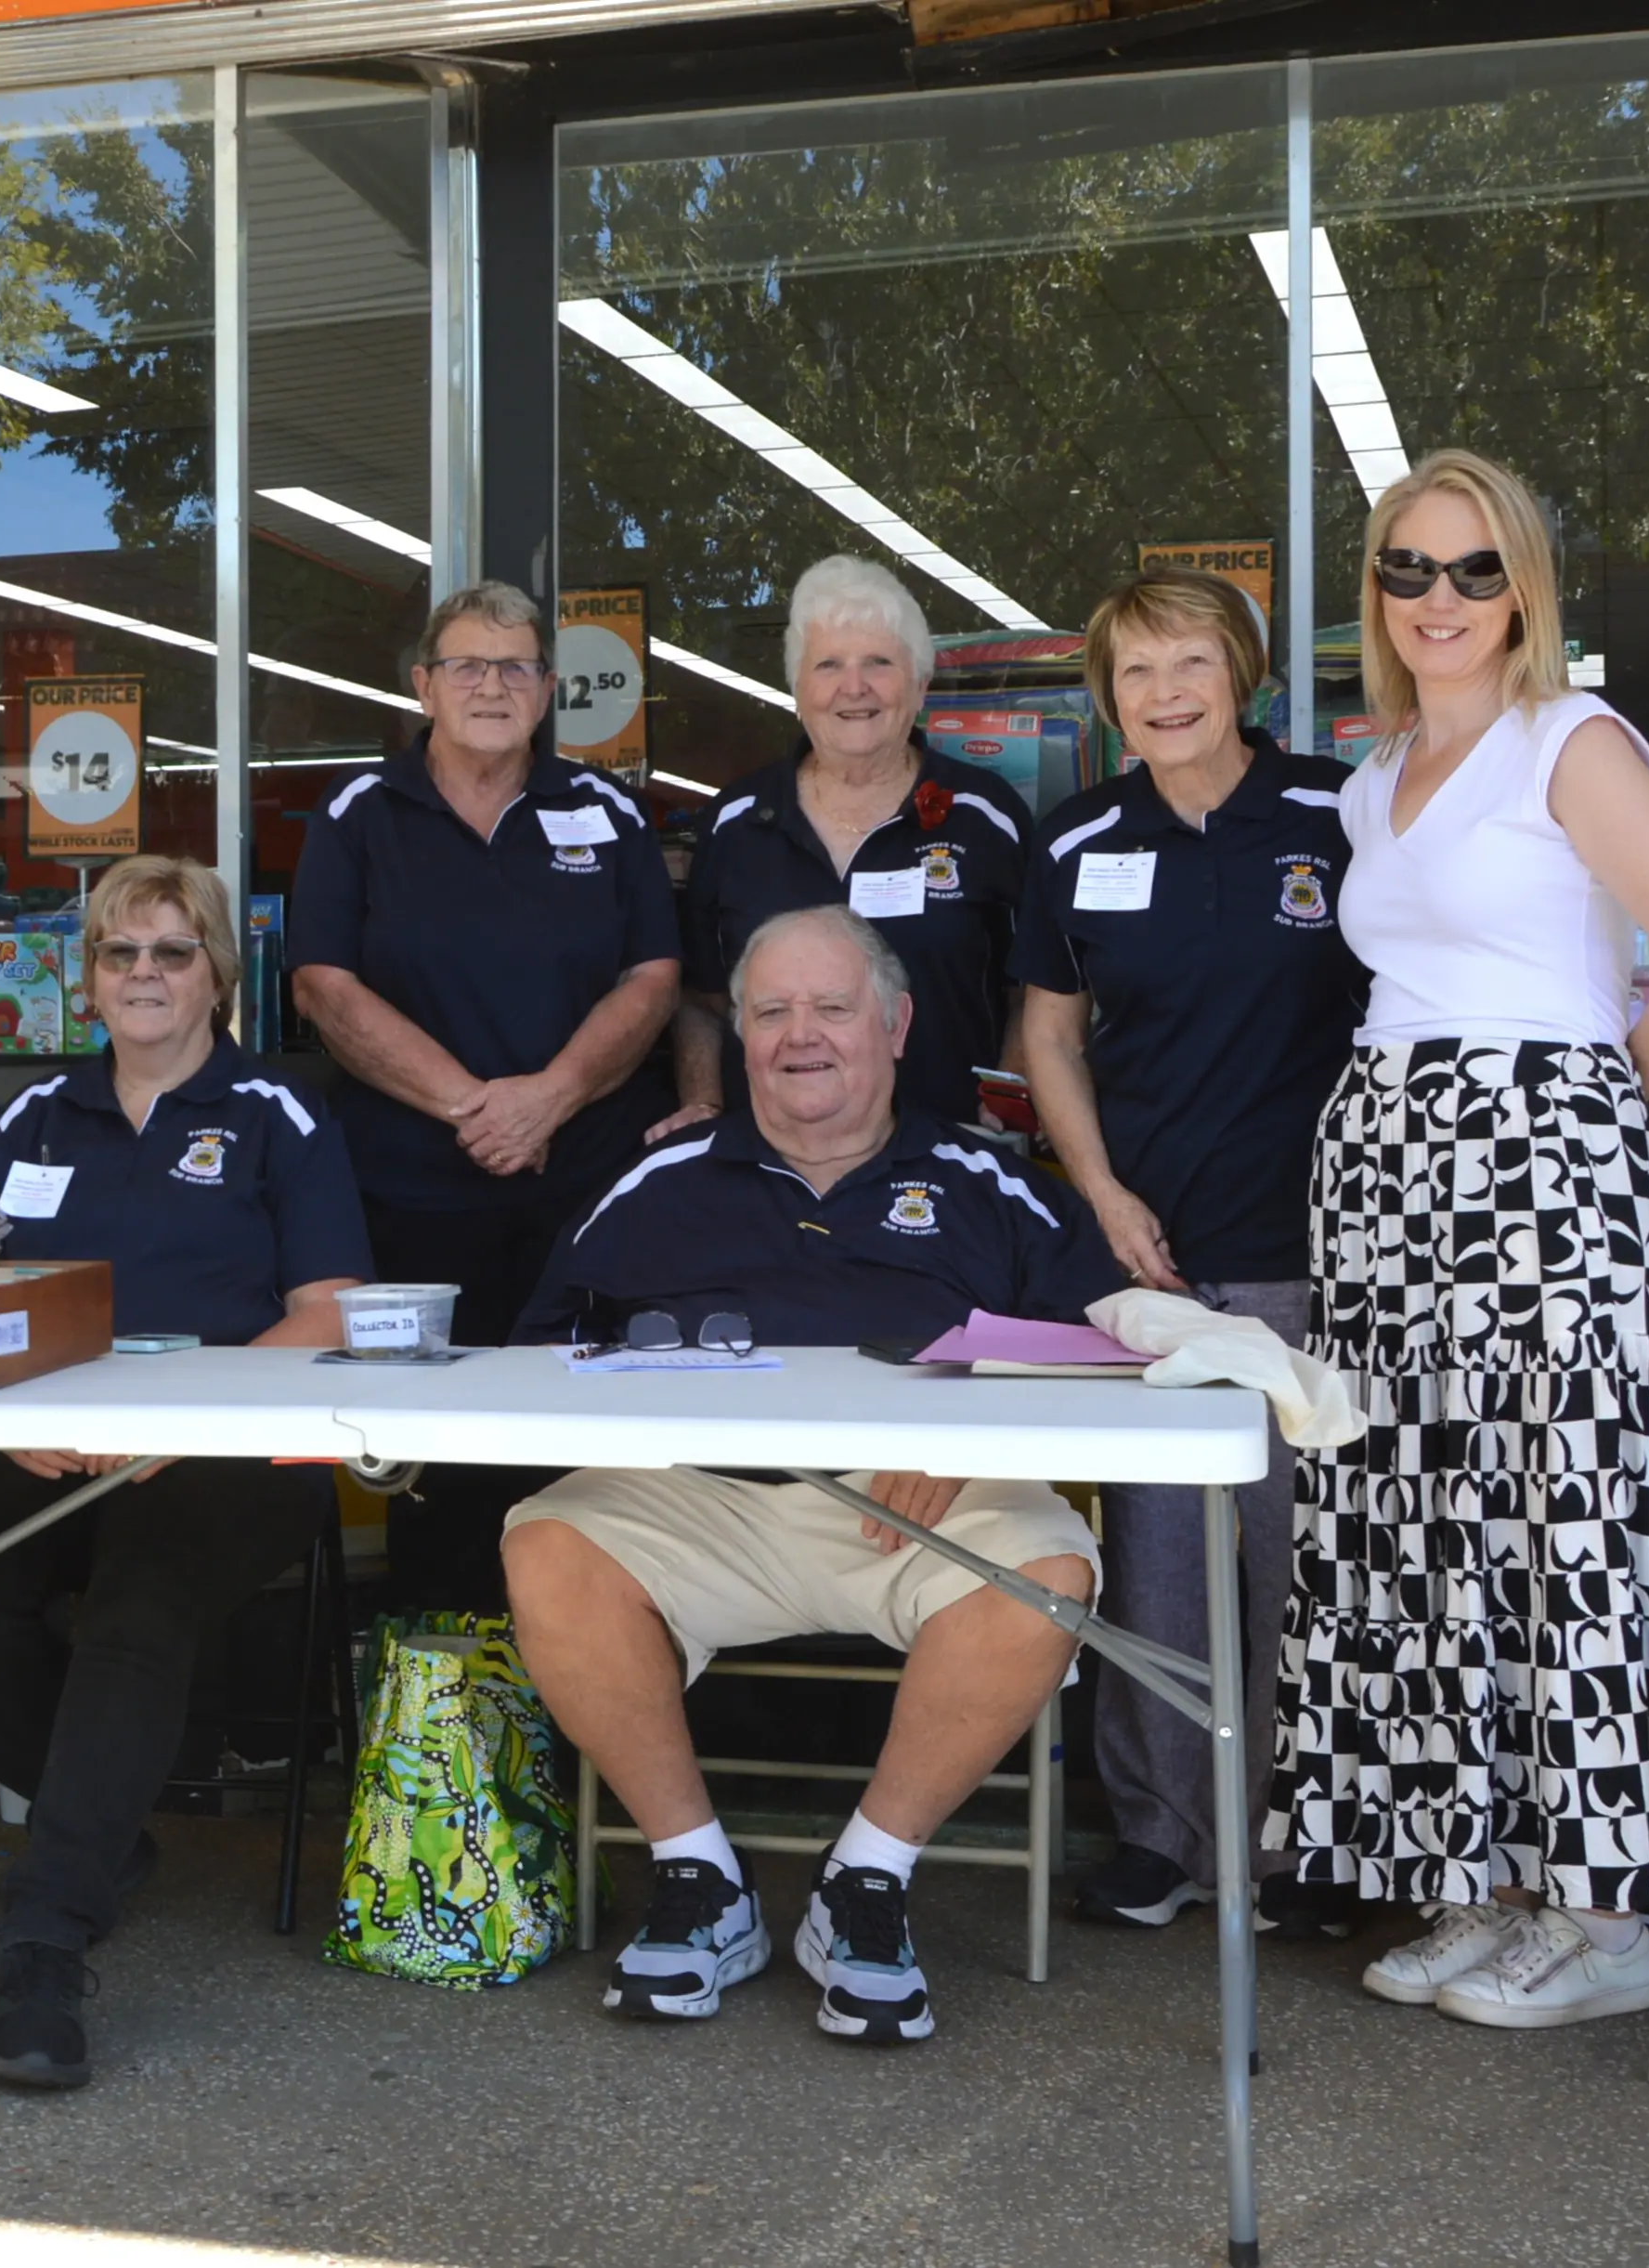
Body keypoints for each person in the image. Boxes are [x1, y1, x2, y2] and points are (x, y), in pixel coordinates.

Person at [1270, 450, 1649, 2029]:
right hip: (1384, 1172)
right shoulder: (1371, 773)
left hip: (1537, 1167)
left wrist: (1574, 1105)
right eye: (1408, 570)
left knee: (1563, 1530)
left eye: (1473, 570)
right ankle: (1471, 1880)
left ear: (1524, 588)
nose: (1438, 600)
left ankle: (1602, 1914)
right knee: (1412, 1530)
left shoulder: (1570, 741)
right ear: (1376, 592)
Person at [504, 905, 1118, 2045]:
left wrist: (973, 1439)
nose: (803, 1035)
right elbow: (541, 1355)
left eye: (833, 1008)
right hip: (707, 1502)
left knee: (1046, 1569)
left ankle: (864, 1884)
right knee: (547, 1540)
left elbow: (1107, 1348)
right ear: (739, 1038)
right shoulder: (659, 1181)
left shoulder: (990, 1178)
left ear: (895, 1025)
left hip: (926, 1505)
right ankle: (702, 1882)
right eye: (772, 1011)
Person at [0, 854, 370, 2090]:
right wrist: (5, 1420)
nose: (145, 974)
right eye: (120, 952)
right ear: (89, 976)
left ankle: (43, 1939)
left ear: (217, 971)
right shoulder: (33, 1115)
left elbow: (325, 1309)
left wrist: (190, 1414)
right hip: (47, 1434)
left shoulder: (277, 1110)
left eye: (171, 950)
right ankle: (95, 1831)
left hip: (231, 1442)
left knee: (135, 1607)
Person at [1013, 568, 1369, 1936]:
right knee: (1157, 1568)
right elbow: (1046, 1035)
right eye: (1134, 674)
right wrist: (1094, 1190)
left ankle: (1294, 1844)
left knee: (1297, 1562)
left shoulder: (1336, 814)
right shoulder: (1075, 837)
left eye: (1189, 665)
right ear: (1105, 699)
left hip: (1304, 1248)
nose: (1163, 694)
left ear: (1243, 674)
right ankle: (1162, 1837)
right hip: (1145, 1265)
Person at [290, 580, 681, 1603]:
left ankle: (580, 1702)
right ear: (424, 686)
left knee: (583, 1457)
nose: (492, 684)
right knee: (437, 1465)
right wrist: (477, 1106)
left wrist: (550, 1096)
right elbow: (324, 985)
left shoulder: (609, 813)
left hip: (584, 1195)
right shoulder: (357, 816)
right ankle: (451, 1729)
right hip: (415, 1202)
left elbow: (655, 979)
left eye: (517, 665)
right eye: (467, 663)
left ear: (549, 689)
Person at [667, 554, 1031, 1141]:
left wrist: (1009, 1100)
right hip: (768, 1165)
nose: (853, 687)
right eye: (828, 664)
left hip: (950, 1158)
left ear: (919, 685)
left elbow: (1034, 992)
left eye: (878, 663)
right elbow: (702, 1000)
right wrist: (705, 1106)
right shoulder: (735, 822)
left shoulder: (985, 816)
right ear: (797, 688)